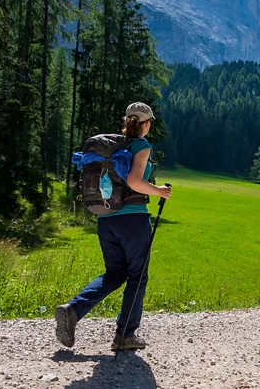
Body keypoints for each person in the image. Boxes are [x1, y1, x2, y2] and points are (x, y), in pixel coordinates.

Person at [54, 102, 172, 351]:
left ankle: (73, 310)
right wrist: (159, 191)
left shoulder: (112, 145)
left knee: (115, 273)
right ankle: (125, 335)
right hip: (132, 220)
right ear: (147, 124)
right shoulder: (141, 145)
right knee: (137, 277)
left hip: (106, 219)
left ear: (127, 120)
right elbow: (134, 181)